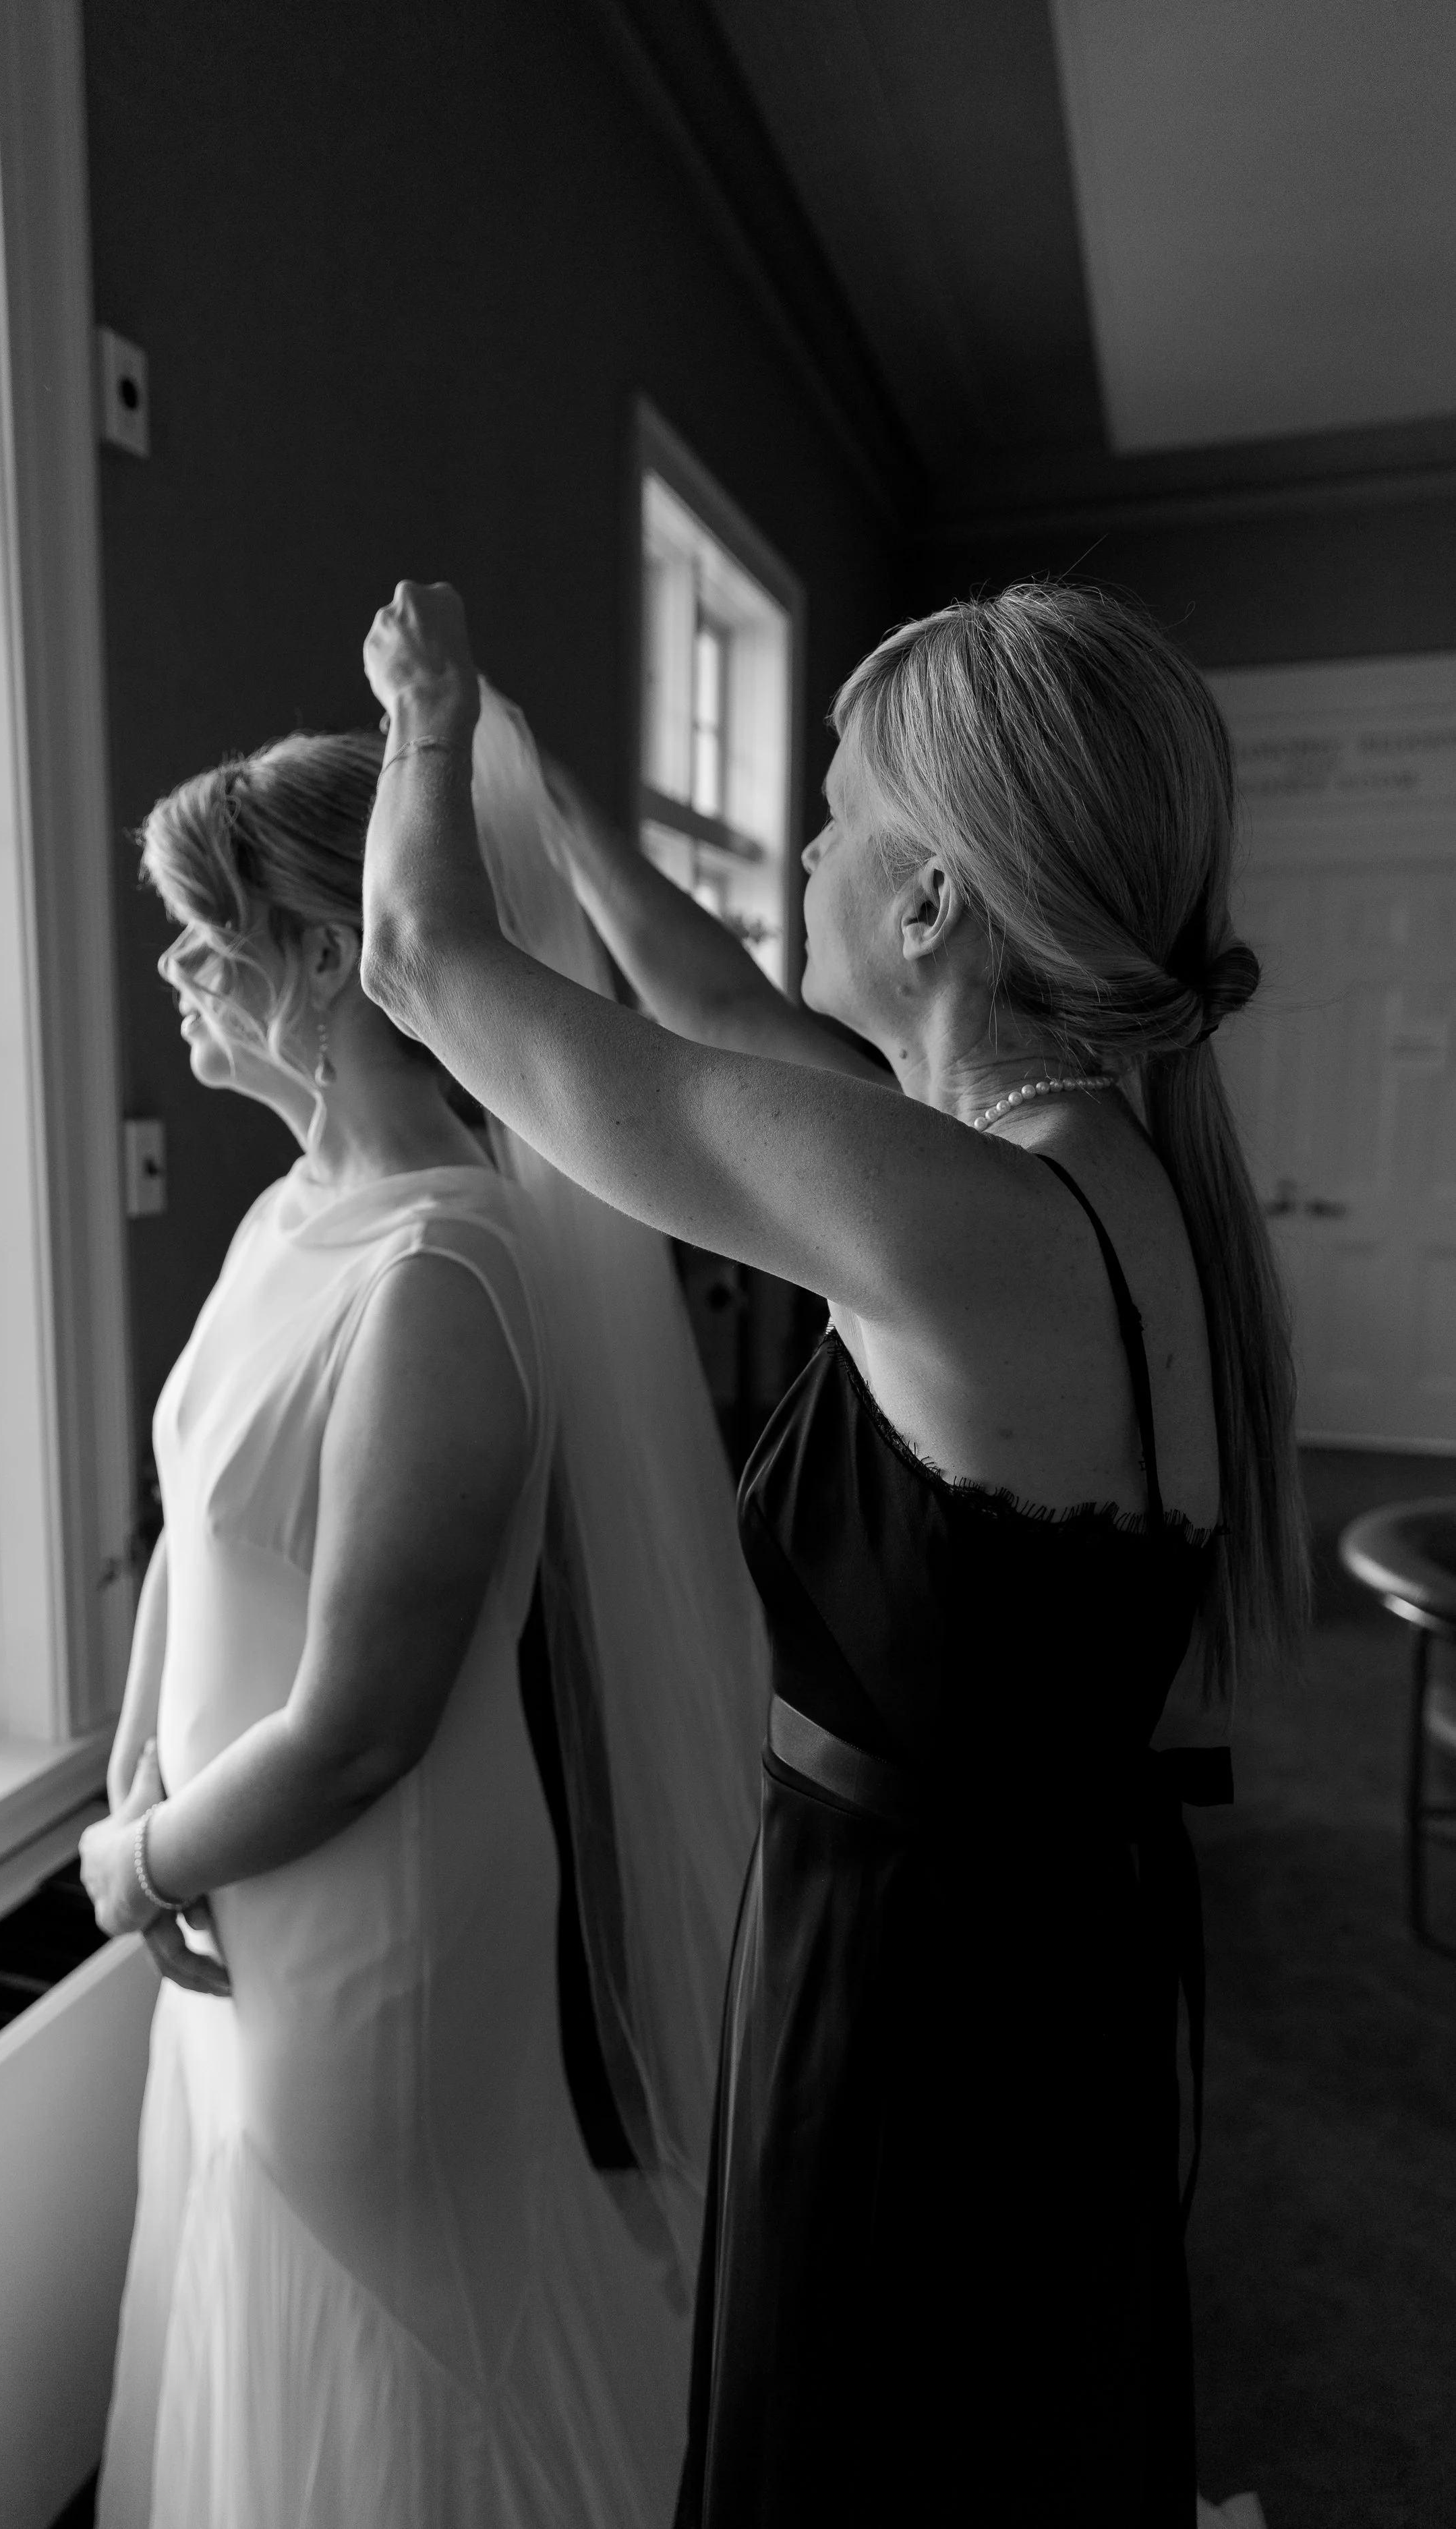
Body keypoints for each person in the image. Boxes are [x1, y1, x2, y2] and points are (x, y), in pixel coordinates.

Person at [357, 577, 1306, 2528]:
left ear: (934, 895)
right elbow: (714, 1010)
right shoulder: (1060, 1164)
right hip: (1046, 1935)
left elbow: (419, 963)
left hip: (911, 1975)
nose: (799, 854)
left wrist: (423, 720)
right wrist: (563, 807)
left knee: (859, 2448)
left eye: (833, 811)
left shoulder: (942, 1211)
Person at [77, 717, 766, 2528]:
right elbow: (193, 1529)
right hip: (234, 1868)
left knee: (402, 2339)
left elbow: (364, 1721)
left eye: (206, 930)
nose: (174, 966)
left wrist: (134, 1862)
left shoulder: (438, 1272)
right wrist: (136, 1767)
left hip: (376, 1913)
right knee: (268, 2306)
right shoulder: (291, 1211)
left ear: (326, 954)